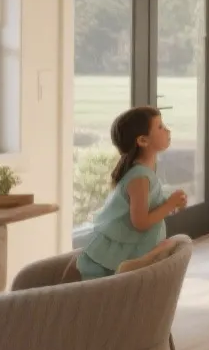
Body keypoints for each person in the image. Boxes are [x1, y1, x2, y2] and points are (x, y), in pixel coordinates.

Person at [78, 106, 187, 280]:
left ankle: (141, 262)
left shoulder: (145, 172)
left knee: (176, 243)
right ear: (143, 140)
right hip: (124, 250)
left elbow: (148, 207)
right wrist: (169, 205)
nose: (167, 130)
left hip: (134, 243)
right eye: (160, 127)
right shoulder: (139, 178)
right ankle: (134, 265)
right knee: (177, 244)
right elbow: (141, 222)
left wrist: (171, 203)